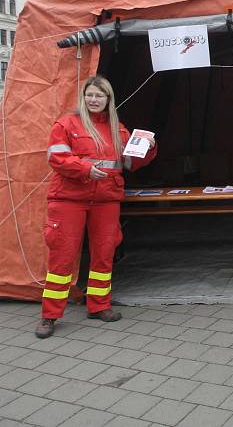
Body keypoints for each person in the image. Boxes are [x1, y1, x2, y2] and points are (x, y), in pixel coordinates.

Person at [35, 76, 157, 339]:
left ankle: (99, 306)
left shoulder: (118, 129)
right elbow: (56, 157)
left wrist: (149, 149)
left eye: (99, 96)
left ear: (108, 99)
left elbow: (130, 164)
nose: (93, 100)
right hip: (69, 199)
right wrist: (85, 169)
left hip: (106, 200)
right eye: (90, 95)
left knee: (104, 253)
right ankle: (50, 315)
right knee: (62, 257)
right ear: (83, 97)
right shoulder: (66, 124)